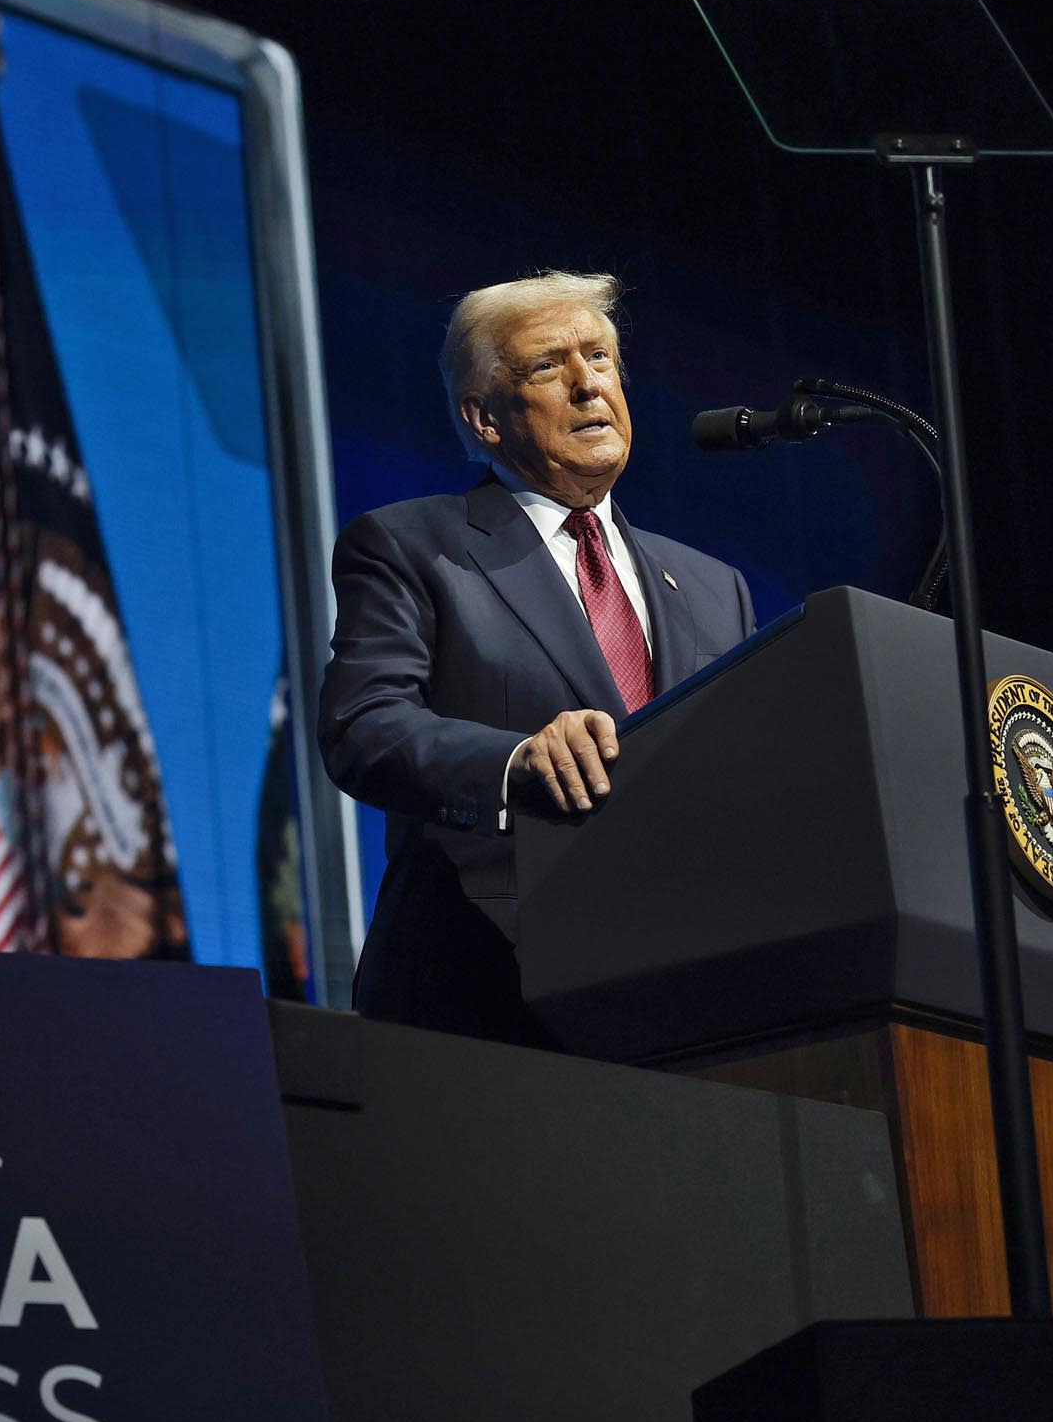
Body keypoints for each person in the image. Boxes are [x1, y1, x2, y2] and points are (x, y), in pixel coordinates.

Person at [318, 271, 757, 1044]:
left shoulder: (717, 588)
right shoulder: (412, 546)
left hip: (692, 1001)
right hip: (483, 996)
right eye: (550, 366)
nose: (589, 384)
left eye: (601, 358)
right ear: (484, 417)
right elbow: (365, 726)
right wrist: (517, 760)